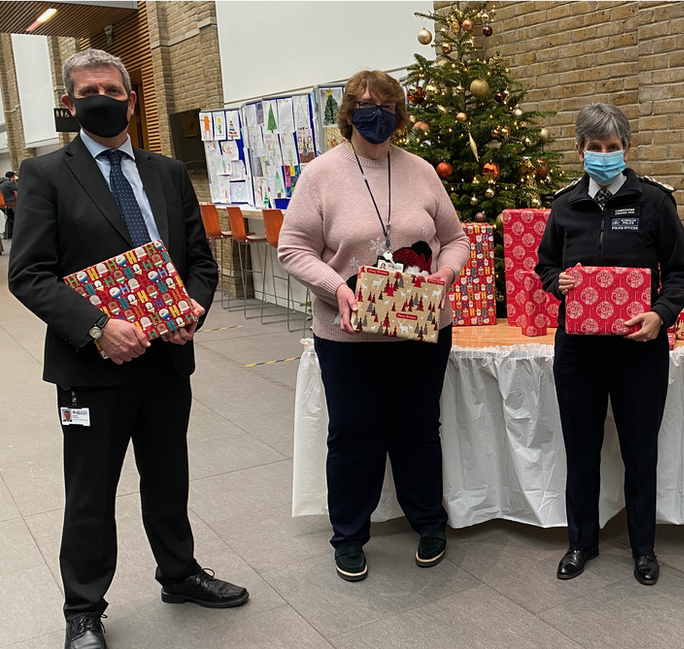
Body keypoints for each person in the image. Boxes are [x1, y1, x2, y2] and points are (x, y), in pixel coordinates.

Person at [7, 49, 248, 649]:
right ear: (69, 104)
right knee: (90, 490)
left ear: (132, 98)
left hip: (167, 357)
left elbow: (198, 259)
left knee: (168, 476)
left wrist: (190, 309)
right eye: (88, 91)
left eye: (113, 90)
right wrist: (96, 327)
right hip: (93, 366)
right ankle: (83, 609)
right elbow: (29, 273)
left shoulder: (165, 173)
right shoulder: (44, 177)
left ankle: (180, 572)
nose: (102, 99)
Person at [278, 70, 469, 582]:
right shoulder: (320, 175)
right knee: (353, 435)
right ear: (347, 112)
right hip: (349, 334)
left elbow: (455, 238)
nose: (374, 111)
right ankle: (349, 535)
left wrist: (446, 273)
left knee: (418, 430)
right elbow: (293, 248)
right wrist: (335, 286)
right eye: (363, 103)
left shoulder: (422, 171)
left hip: (421, 327)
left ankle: (429, 522)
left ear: (399, 112)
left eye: (385, 103)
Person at [535, 103, 684, 586]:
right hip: (578, 351)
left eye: (613, 147)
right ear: (579, 149)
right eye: (594, 147)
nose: (604, 155)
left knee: (639, 451)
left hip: (639, 349)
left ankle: (644, 550)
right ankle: (580, 543)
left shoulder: (655, 202)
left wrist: (661, 314)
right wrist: (556, 282)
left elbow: (681, 272)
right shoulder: (564, 205)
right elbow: (545, 266)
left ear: (627, 148)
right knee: (580, 449)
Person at [1, 170, 16, 240]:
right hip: (11, 203)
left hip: (2, 205)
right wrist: (17, 181)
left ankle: (8, 233)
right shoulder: (8, 183)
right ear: (12, 177)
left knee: (10, 218)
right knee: (16, 217)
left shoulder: (1, 183)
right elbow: (20, 189)